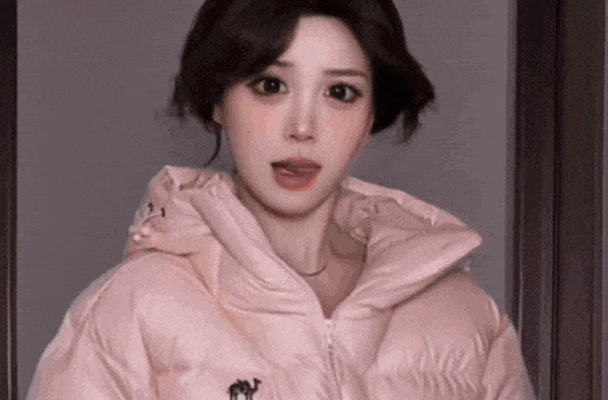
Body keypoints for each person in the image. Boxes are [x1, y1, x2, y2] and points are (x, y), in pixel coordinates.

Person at [27, 0, 536, 398]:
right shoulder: (130, 308)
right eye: (270, 85)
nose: (302, 128)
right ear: (218, 101)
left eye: (340, 93)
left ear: (369, 121)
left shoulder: (468, 319)